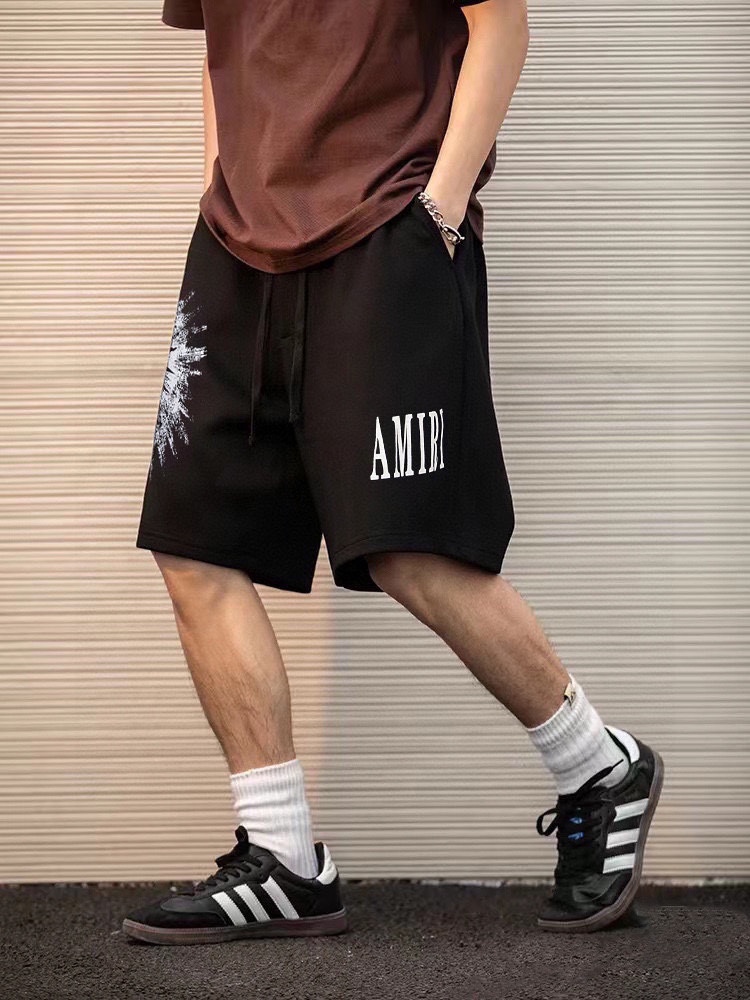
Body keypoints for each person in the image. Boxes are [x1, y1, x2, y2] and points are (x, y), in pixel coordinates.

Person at [123, 0, 663, 945]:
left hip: (384, 229)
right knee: (195, 548)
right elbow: (222, 52)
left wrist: (438, 213)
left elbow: (501, 23)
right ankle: (285, 858)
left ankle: (598, 764)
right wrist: (218, 186)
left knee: (412, 548)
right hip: (236, 245)